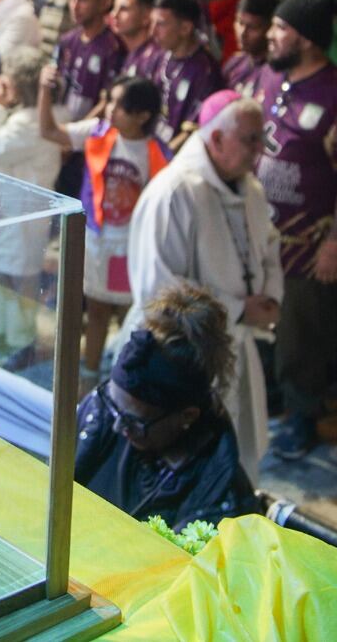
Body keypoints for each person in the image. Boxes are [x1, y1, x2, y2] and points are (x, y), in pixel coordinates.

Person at [124, 92, 282, 479]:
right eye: (250, 140)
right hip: (179, 362)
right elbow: (157, 292)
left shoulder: (251, 190)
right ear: (216, 139)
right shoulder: (174, 192)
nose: (259, 150)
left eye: (261, 139)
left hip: (236, 347)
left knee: (236, 462)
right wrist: (241, 308)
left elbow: (271, 247)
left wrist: (272, 298)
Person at [255, 0, 337, 460]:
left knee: (304, 330)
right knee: (269, 324)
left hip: (308, 241)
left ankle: (304, 418)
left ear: (304, 40)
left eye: (280, 29)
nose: (269, 36)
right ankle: (278, 399)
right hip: (263, 232)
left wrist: (335, 242)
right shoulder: (268, 76)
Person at [75, 283, 263, 531]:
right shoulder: (102, 413)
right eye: (114, 406)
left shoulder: (218, 497)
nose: (119, 426)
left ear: (187, 416)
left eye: (135, 423)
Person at [38, 71, 168, 376]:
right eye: (110, 100)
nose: (109, 108)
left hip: (131, 249)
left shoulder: (157, 154)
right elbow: (48, 131)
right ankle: (90, 372)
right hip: (97, 243)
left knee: (131, 316)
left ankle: (128, 375)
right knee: (96, 311)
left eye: (118, 105)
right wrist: (44, 91)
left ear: (142, 116)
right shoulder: (97, 133)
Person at [0, 46, 63, 370]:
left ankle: (19, 346)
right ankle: (6, 337)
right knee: (2, 281)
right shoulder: (29, 116)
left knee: (17, 284)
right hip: (13, 214)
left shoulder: (28, 122)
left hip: (21, 217)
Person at [147, 0, 222, 149]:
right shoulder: (159, 57)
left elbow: (193, 133)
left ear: (185, 28)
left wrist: (160, 161)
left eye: (160, 24)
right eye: (152, 23)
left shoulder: (205, 71)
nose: (152, 31)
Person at [52, 0, 125, 123]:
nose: (75, 6)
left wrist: (74, 135)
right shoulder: (66, 41)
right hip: (60, 128)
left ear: (105, 2)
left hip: (88, 138)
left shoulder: (114, 48)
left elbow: (107, 102)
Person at [222, 0, 280, 99]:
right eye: (240, 23)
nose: (242, 33)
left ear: (271, 29)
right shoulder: (234, 64)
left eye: (253, 27)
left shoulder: (278, 73)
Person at [112, 0, 162, 78]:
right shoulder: (126, 51)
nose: (115, 15)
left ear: (146, 17)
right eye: (114, 8)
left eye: (124, 9)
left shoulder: (154, 59)